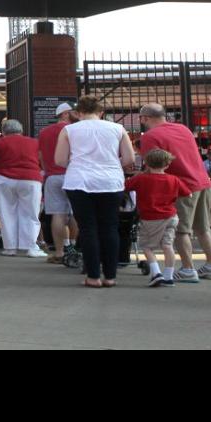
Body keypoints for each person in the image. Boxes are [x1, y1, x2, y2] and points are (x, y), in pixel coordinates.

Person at [55, 95, 136, 289]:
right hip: (111, 182)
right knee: (110, 227)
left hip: (79, 181)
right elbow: (129, 158)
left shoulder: (69, 130)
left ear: (78, 113)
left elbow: (59, 160)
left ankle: (93, 276)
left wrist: (78, 164)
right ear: (101, 112)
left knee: (88, 228)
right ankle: (110, 276)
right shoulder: (118, 129)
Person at [139, 104, 211, 283]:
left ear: (145, 118)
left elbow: (152, 166)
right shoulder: (183, 128)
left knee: (181, 231)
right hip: (203, 182)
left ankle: (187, 268)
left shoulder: (150, 136)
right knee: (203, 228)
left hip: (182, 185)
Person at [0, 120, 46, 258]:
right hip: (30, 179)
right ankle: (31, 248)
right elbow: (42, 160)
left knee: (7, 213)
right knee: (31, 214)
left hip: (4, 179)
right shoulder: (34, 142)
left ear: (3, 131)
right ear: (21, 130)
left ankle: (10, 248)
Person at [125, 149, 191, 288]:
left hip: (151, 217)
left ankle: (156, 273)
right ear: (167, 164)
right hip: (171, 216)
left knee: (147, 246)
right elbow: (188, 194)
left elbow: (124, 187)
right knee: (167, 245)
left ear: (147, 163)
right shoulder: (174, 179)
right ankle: (168, 276)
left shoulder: (141, 178)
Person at [39, 102, 78, 264]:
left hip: (52, 176)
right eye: (73, 112)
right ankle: (74, 247)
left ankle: (60, 252)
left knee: (57, 214)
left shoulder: (44, 132)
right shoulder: (75, 130)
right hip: (73, 175)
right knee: (76, 212)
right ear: (64, 114)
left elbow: (40, 155)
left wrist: (47, 169)